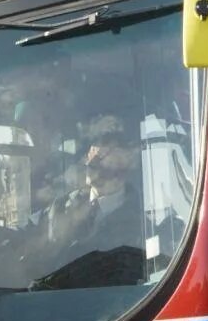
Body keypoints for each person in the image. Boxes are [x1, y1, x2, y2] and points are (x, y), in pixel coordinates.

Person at [37, 112, 145, 287]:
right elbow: (30, 241)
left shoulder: (143, 223)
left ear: (129, 160)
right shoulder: (60, 206)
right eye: (92, 150)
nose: (91, 162)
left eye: (104, 154)